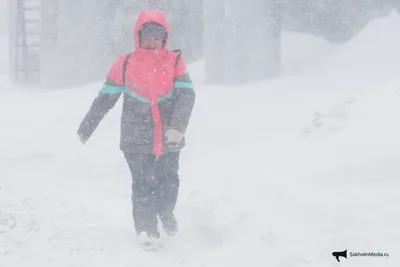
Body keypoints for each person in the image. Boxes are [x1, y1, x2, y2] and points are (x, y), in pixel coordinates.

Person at [77, 10, 195, 245]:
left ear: (165, 37)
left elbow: (187, 96)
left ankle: (165, 211)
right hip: (136, 139)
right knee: (142, 184)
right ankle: (146, 230)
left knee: (168, 182)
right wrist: (87, 127)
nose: (152, 40)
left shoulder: (174, 62)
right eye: (147, 34)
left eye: (157, 34)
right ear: (138, 36)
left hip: (169, 138)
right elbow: (105, 98)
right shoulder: (125, 63)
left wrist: (178, 127)